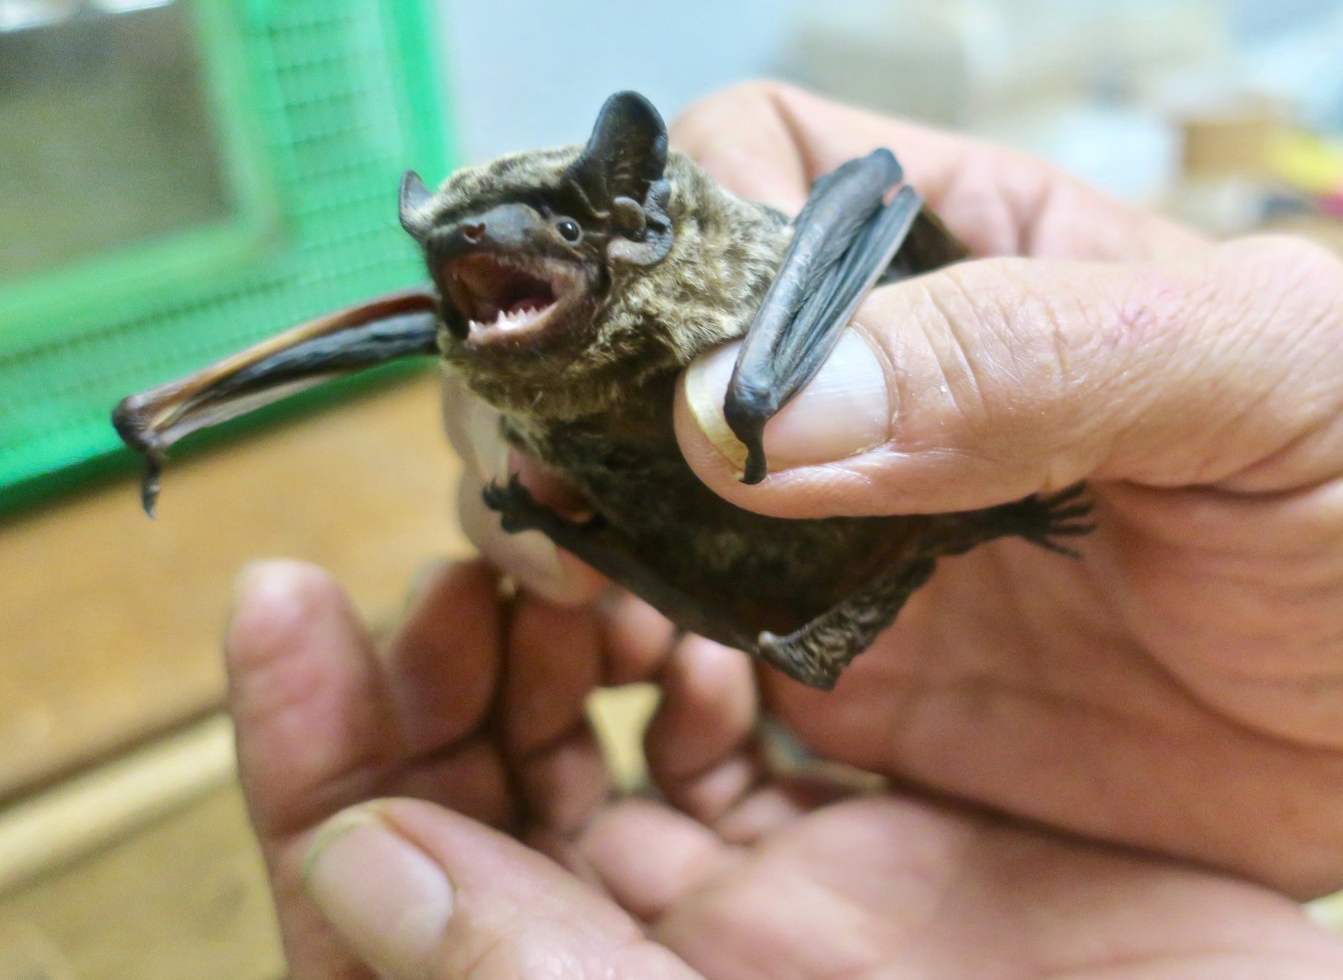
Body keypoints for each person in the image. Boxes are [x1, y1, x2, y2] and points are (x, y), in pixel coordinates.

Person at [226, 82, 1343, 978]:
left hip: (840, 491)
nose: (468, 256)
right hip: (758, 583)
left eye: (549, 231)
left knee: (691, 468)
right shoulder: (503, 362)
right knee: (596, 542)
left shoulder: (734, 294)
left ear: (637, 224)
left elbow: (854, 213)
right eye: (449, 257)